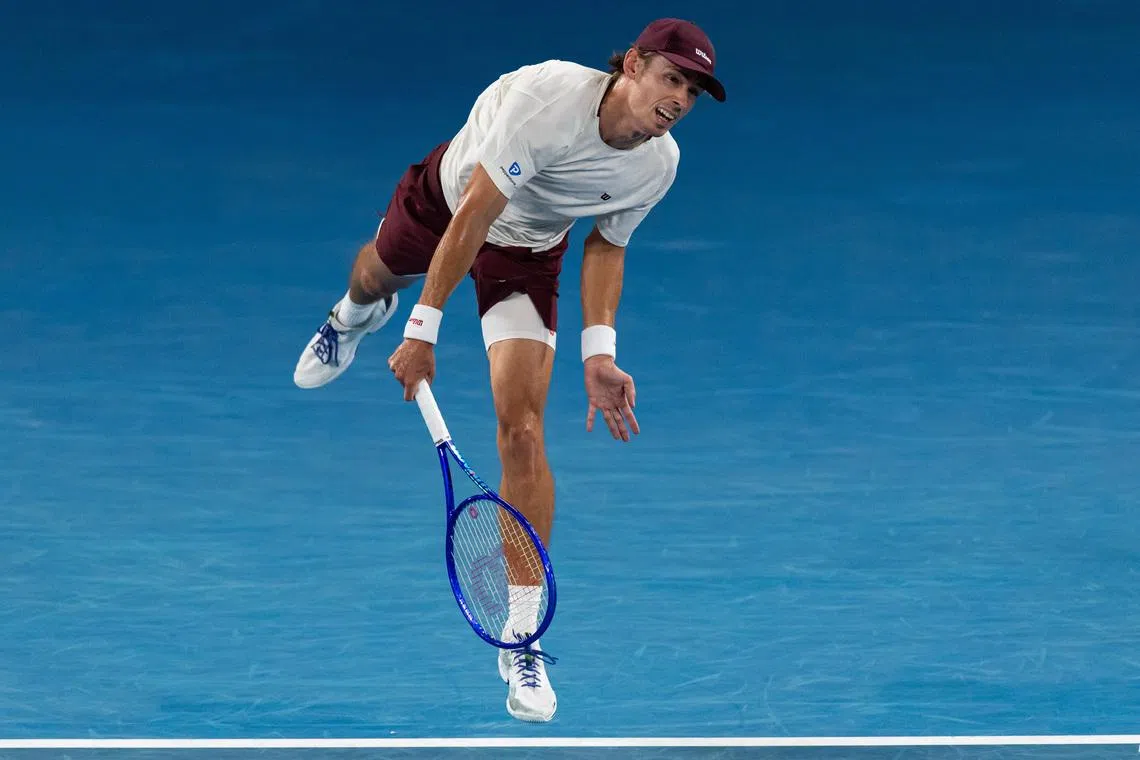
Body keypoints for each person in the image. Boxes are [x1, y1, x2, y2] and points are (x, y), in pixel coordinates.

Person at [293, 17, 726, 723]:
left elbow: (607, 245)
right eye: (672, 79)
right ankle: (352, 316)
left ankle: (523, 635)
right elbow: (475, 214)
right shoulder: (546, 102)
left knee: (522, 432)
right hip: (451, 204)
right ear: (633, 65)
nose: (679, 100)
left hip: (528, 253)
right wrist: (421, 329)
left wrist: (599, 353)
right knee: (374, 276)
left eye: (694, 92)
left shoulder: (658, 164)